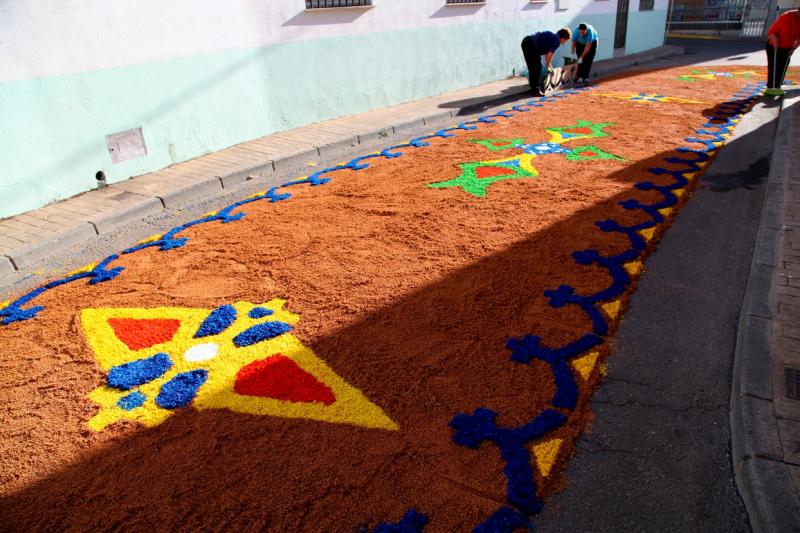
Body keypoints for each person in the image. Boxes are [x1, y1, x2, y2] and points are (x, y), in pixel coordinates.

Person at [521, 28, 572, 96]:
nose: (564, 42)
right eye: (565, 40)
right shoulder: (556, 40)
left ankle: (534, 88)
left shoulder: (554, 37)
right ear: (563, 38)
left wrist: (549, 64)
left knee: (534, 67)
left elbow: (547, 53)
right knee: (536, 67)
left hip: (527, 42)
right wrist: (547, 66)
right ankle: (535, 90)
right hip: (530, 44)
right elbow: (550, 54)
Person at [765, 8, 800, 96]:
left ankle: (777, 86)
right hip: (774, 46)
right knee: (774, 66)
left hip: (788, 47)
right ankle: (770, 87)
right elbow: (771, 32)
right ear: (798, 12)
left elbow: (799, 39)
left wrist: (793, 50)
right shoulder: (786, 16)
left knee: (783, 66)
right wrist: (775, 40)